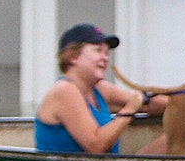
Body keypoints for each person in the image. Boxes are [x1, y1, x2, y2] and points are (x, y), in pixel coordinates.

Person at [36, 24, 167, 153]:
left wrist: (181, 103)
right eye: (98, 50)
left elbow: (148, 105)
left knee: (180, 140)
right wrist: (130, 110)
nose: (105, 58)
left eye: (107, 53)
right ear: (73, 57)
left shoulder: (100, 89)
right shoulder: (64, 90)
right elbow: (96, 145)